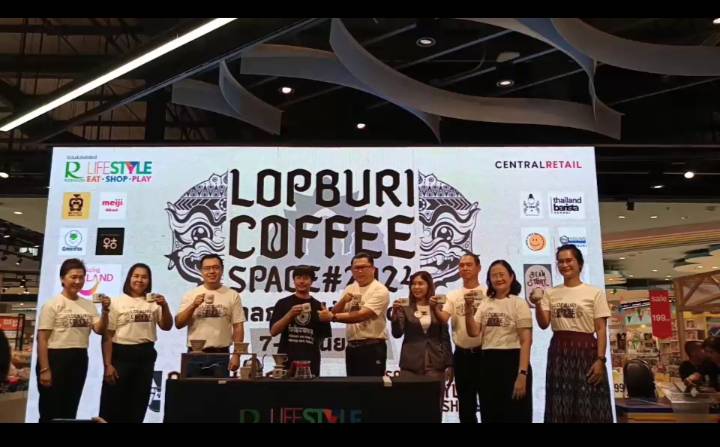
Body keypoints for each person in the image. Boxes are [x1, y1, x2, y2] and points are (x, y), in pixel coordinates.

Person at [529, 244, 613, 423]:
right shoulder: (550, 293)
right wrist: (537, 303)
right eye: (560, 262)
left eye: (569, 260)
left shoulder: (595, 293)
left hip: (587, 352)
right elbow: (543, 324)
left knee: (589, 403)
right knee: (560, 403)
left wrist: (601, 360)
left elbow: (601, 329)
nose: (564, 265)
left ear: (579, 264)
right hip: (559, 351)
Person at [35, 258, 110, 422]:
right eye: (73, 277)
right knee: (50, 410)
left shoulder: (88, 305)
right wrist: (45, 369)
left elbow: (99, 329)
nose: (78, 281)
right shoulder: (52, 305)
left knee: (70, 408)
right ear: (63, 278)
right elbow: (42, 339)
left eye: (81, 277)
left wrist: (105, 312)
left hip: (79, 358)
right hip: (55, 358)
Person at [99, 263, 173, 423]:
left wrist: (165, 306)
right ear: (129, 278)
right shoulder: (116, 302)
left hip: (145, 356)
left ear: (149, 281)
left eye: (144, 277)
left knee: (138, 404)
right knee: (113, 403)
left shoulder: (154, 303)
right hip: (120, 356)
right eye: (136, 276)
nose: (140, 280)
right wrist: (108, 364)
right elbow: (107, 336)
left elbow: (167, 326)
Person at [465, 260, 532, 423]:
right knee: (491, 412)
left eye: (502, 274)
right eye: (494, 276)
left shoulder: (519, 303)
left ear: (511, 277)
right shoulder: (485, 302)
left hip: (513, 362)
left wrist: (522, 374)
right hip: (488, 363)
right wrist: (468, 310)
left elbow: (526, 341)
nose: (498, 278)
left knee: (516, 414)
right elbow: (473, 332)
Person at [431, 253, 485, 423]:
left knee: (489, 402)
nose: (465, 268)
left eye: (469, 265)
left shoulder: (487, 293)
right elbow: (444, 318)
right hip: (462, 355)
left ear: (478, 268)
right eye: (461, 265)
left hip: (485, 354)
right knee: (466, 405)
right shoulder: (453, 295)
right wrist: (434, 308)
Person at [175, 254, 245, 376]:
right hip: (195, 354)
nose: (212, 271)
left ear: (222, 270)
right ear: (201, 271)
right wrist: (193, 305)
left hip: (221, 355)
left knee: (219, 389)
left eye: (216, 267)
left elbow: (238, 327)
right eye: (207, 268)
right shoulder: (190, 295)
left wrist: (236, 355)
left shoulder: (232, 295)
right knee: (191, 388)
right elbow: (178, 323)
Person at [390, 271, 453, 396]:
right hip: (410, 364)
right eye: (413, 284)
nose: (416, 287)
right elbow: (397, 333)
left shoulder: (438, 307)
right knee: (410, 404)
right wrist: (395, 316)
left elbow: (445, 337)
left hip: (435, 363)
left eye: (420, 283)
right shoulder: (405, 307)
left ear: (429, 285)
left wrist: (449, 364)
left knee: (433, 403)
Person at [331, 253, 390, 377]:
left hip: (372, 347)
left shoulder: (380, 290)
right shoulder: (350, 288)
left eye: (364, 267)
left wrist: (333, 318)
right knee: (352, 385)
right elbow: (336, 312)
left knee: (371, 386)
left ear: (373, 269)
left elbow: (362, 315)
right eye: (356, 268)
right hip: (352, 347)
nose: (360, 271)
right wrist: (342, 301)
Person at [269, 265, 332, 377]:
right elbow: (273, 331)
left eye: (306, 278)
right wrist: (289, 314)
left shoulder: (319, 306)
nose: (302, 281)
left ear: (311, 281)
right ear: (293, 280)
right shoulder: (283, 303)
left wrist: (326, 319)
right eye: (298, 278)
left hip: (311, 362)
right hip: (286, 361)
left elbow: (322, 337)